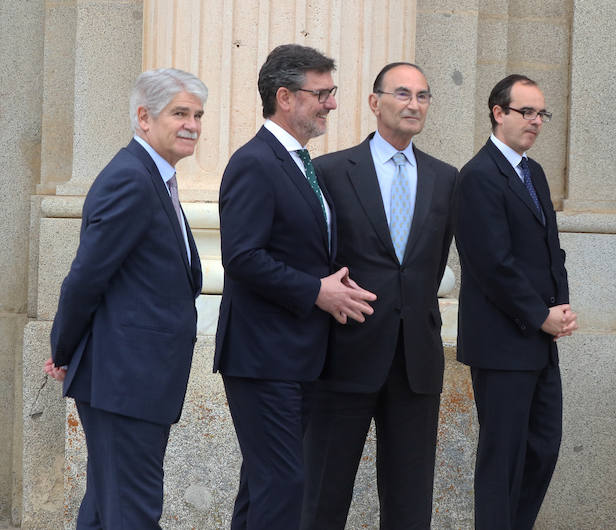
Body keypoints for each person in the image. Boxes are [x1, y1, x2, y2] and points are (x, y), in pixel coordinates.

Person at [214, 44, 375, 529]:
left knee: (266, 486)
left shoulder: (304, 165)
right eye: (321, 93)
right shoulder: (255, 162)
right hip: (262, 358)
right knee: (283, 486)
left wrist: (336, 283)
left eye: (332, 92)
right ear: (284, 97)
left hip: (297, 357)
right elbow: (242, 258)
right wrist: (316, 292)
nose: (330, 103)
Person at [45, 68, 206, 528]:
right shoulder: (131, 179)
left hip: (136, 381)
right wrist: (63, 349)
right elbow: (85, 279)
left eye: (197, 114)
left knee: (104, 509)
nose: (192, 124)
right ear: (144, 117)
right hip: (124, 381)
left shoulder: (155, 177)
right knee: (132, 512)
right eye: (179, 113)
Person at [300, 62, 457, 530]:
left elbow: (431, 263)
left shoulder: (446, 178)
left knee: (411, 503)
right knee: (322, 494)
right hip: (345, 354)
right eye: (403, 94)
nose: (414, 104)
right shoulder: (328, 170)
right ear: (375, 103)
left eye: (423, 96)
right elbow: (316, 257)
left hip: (416, 361)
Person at [454, 74, 577, 530]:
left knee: (543, 447)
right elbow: (492, 264)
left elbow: (551, 250)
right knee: (502, 459)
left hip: (541, 338)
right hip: (503, 342)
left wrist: (560, 308)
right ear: (498, 112)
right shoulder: (478, 176)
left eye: (541, 113)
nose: (536, 121)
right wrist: (539, 315)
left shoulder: (533, 172)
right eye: (526, 112)